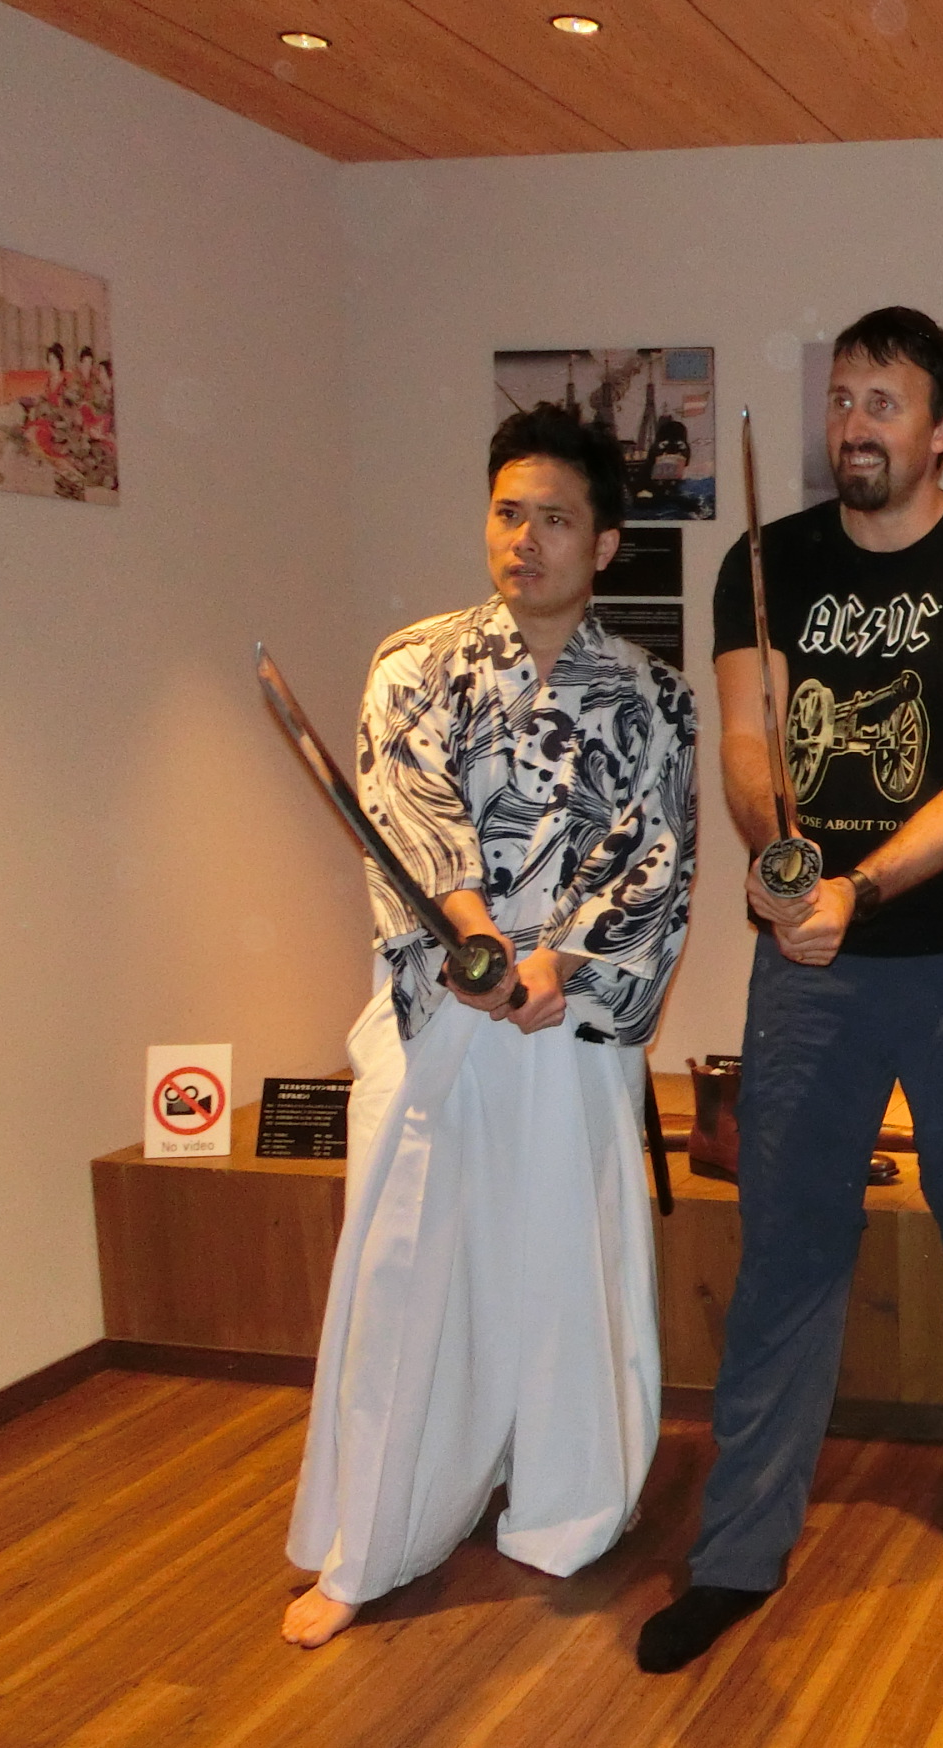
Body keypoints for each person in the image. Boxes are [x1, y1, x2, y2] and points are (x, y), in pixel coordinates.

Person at [636, 306, 943, 1673]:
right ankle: (736, 1551)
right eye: (840, 398)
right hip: (810, 970)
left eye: (883, 403)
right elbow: (749, 735)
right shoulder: (764, 560)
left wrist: (857, 890)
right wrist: (780, 859)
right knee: (788, 1245)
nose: (853, 425)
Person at [281, 402, 698, 1650]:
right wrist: (473, 942)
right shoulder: (413, 663)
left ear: (605, 543)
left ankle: (565, 1503)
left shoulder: (653, 696)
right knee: (406, 1267)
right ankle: (377, 1536)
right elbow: (402, 811)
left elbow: (655, 859)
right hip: (441, 1004)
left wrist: (554, 964)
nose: (525, 539)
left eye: (555, 519)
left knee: (566, 1266)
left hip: (568, 1017)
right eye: (507, 513)